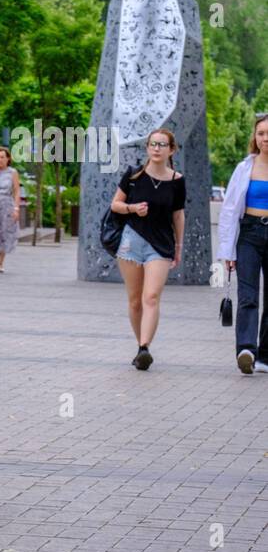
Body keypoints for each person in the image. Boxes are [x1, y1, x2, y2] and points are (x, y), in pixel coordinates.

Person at [109, 128, 186, 371]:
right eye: (152, 144)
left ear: (171, 150)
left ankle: (144, 348)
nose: (156, 148)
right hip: (131, 242)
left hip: (160, 245)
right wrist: (132, 208)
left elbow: (178, 215)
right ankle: (139, 345)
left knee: (151, 297)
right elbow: (115, 205)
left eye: (162, 145)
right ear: (147, 148)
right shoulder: (133, 176)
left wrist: (178, 246)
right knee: (134, 301)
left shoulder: (177, 181)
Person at [217, 112, 268, 375]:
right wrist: (227, 250)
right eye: (261, 133)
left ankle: (265, 357)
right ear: (255, 137)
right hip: (249, 233)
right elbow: (228, 210)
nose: (265, 138)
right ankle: (246, 350)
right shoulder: (244, 167)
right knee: (248, 295)